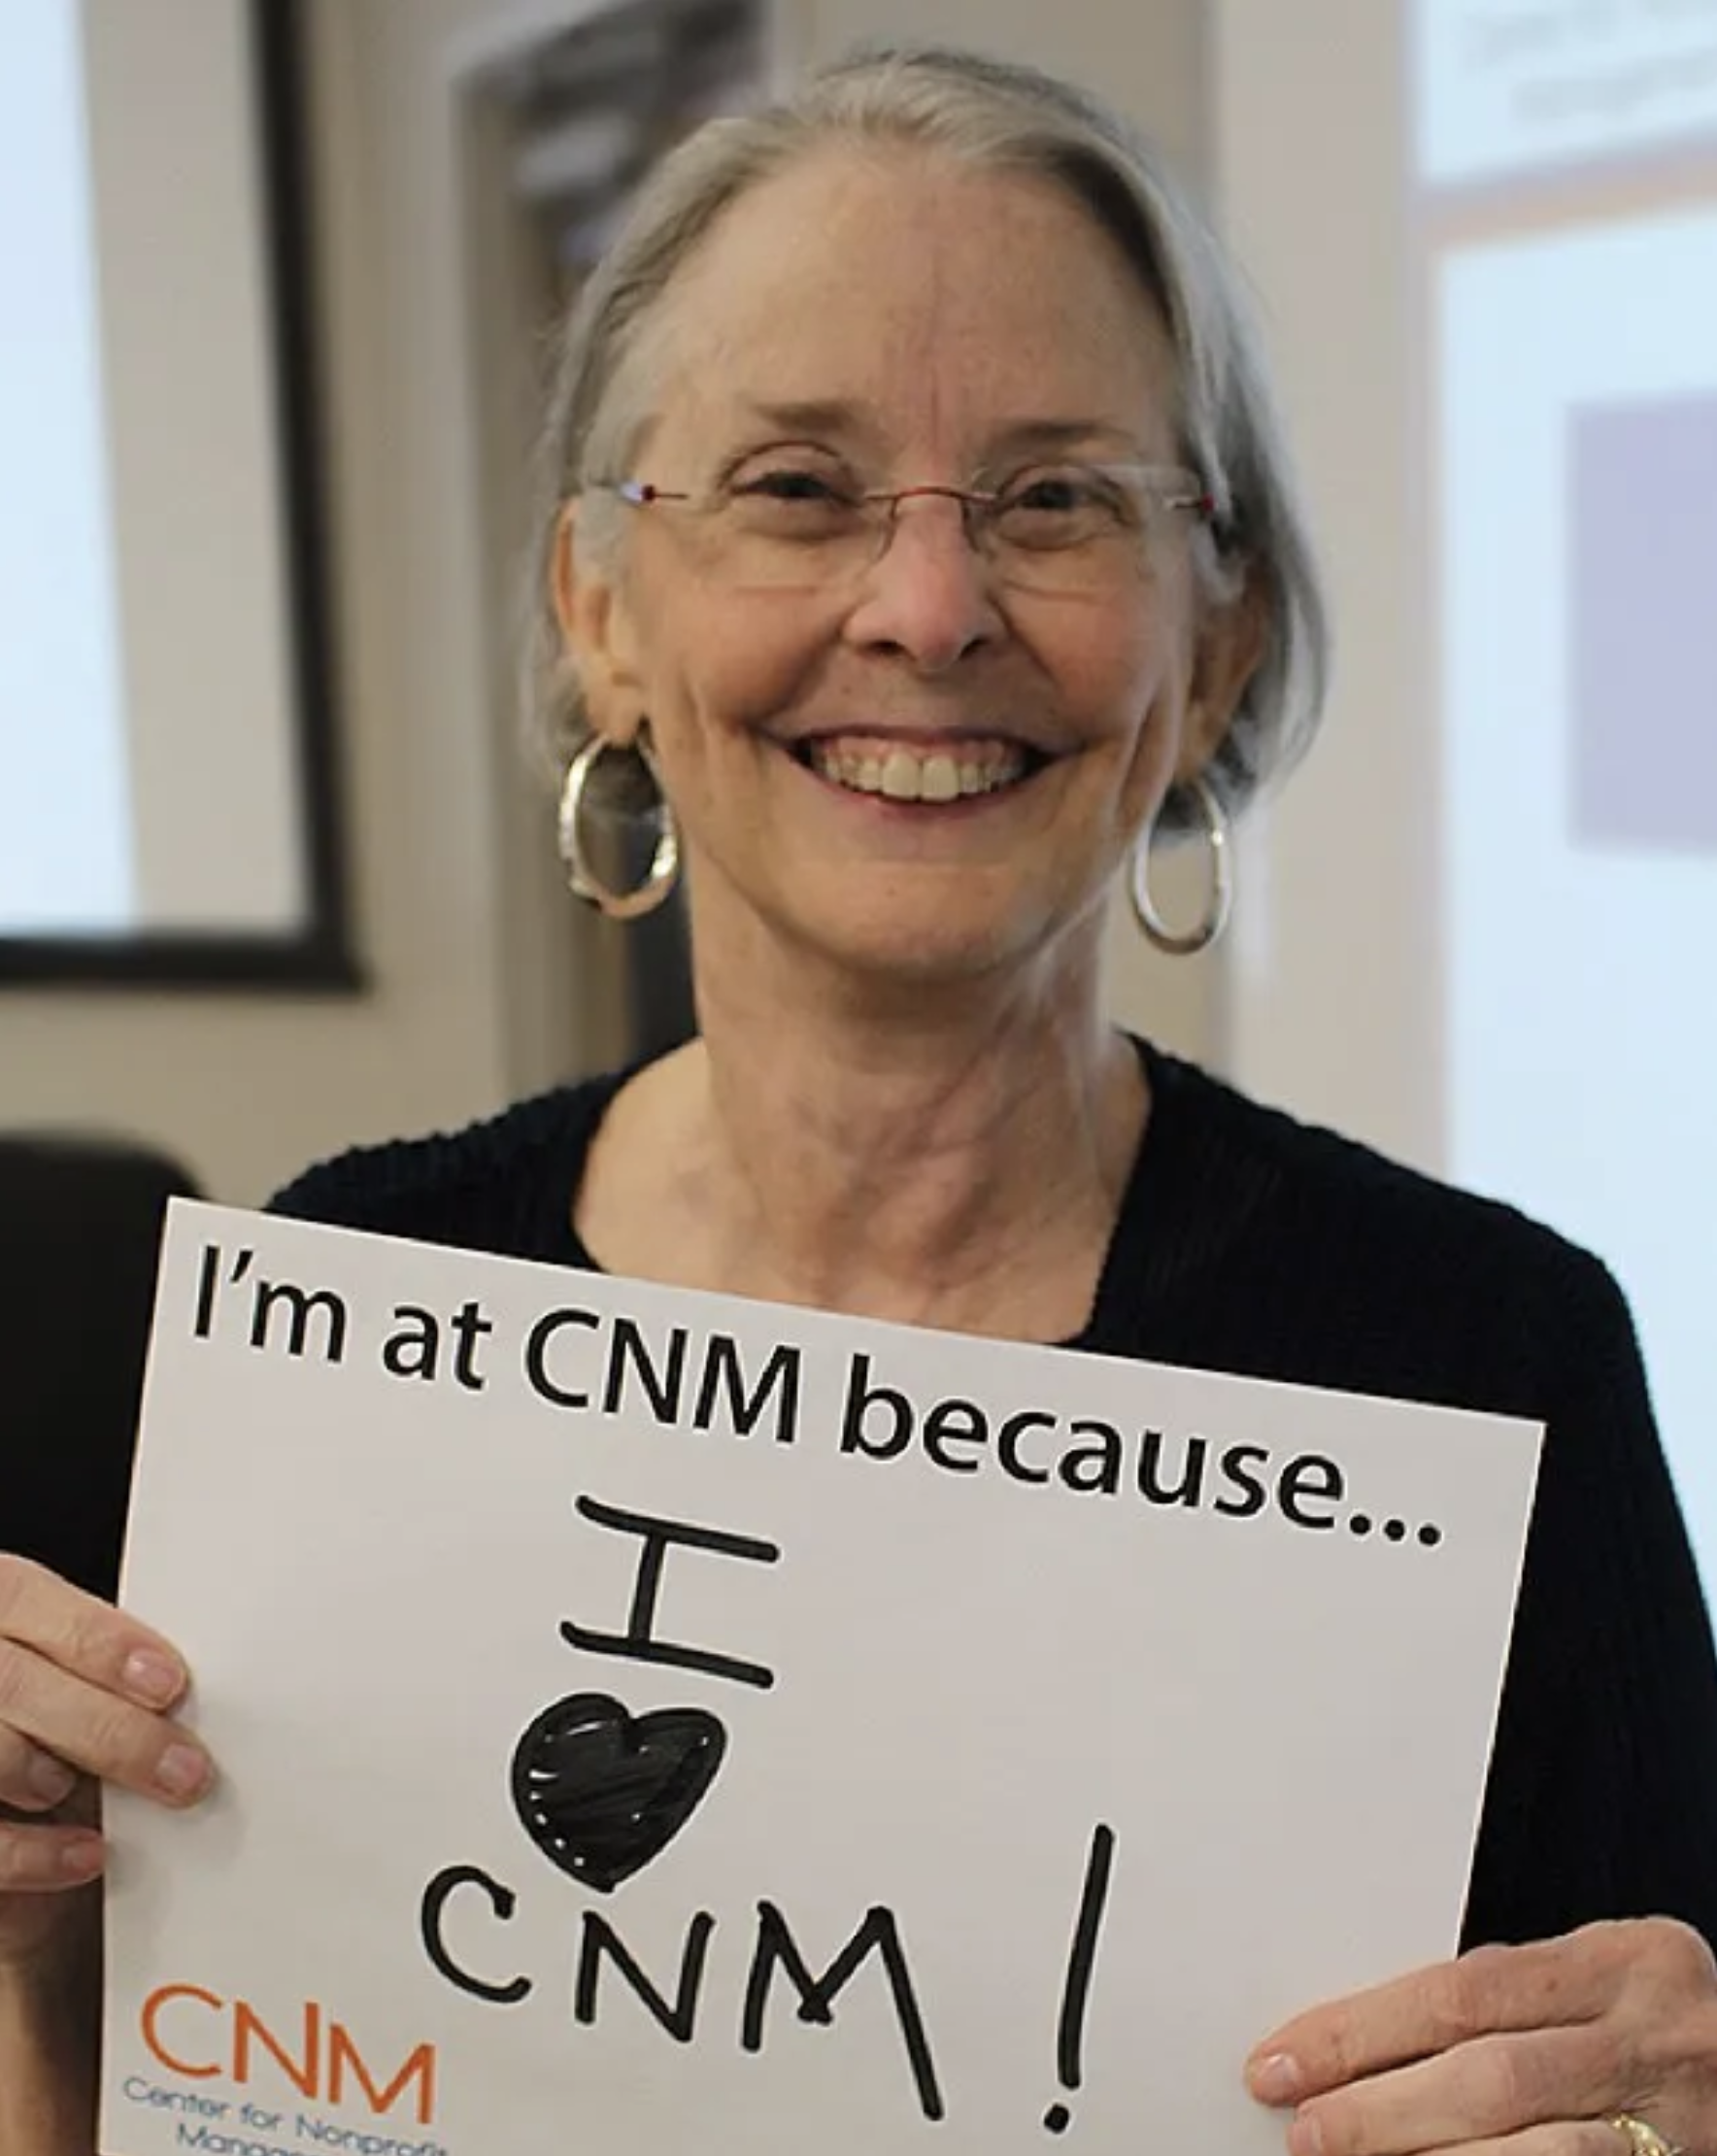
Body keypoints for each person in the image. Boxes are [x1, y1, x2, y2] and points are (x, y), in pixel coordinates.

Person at [4, 42, 1716, 2156]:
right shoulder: (349, 1300)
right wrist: (50, 1968)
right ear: (598, 610)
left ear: (1222, 637)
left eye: (1057, 498)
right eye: (797, 488)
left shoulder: (1489, 1362)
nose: (923, 608)